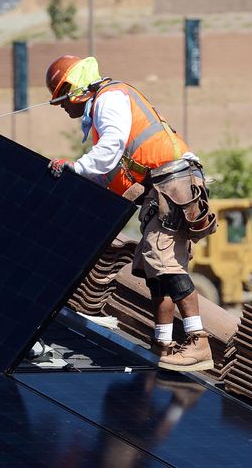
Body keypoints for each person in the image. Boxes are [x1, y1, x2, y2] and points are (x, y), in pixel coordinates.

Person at [45, 55, 217, 372]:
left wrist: (76, 167)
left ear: (74, 90)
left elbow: (111, 147)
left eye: (61, 100)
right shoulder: (102, 109)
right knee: (154, 267)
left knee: (163, 261)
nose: (63, 108)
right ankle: (162, 343)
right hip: (163, 188)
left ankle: (199, 341)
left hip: (172, 184)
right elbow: (107, 173)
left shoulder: (109, 99)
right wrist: (74, 180)